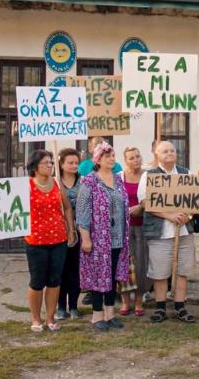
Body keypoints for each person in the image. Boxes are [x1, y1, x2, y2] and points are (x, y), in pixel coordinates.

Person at [138, 140, 199, 324]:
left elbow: (197, 199)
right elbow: (145, 202)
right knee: (160, 272)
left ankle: (180, 307)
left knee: (182, 271)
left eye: (172, 150)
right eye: (165, 151)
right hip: (160, 232)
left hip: (184, 232)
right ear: (157, 154)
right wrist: (169, 215)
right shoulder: (149, 175)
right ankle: (160, 307)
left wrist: (188, 216)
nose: (170, 153)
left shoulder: (186, 173)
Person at [76, 142, 132, 332]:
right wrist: (86, 238)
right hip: (98, 238)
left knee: (112, 276)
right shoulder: (90, 181)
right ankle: (97, 315)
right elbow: (82, 212)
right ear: (98, 159)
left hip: (117, 238)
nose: (112, 159)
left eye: (113, 155)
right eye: (108, 156)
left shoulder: (118, 180)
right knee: (98, 276)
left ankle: (110, 314)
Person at [24, 150, 77, 332]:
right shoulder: (27, 185)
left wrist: (70, 229)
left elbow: (68, 208)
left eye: (50, 162)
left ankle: (50, 318)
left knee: (54, 280)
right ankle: (36, 318)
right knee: (37, 280)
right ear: (35, 166)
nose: (50, 165)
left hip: (58, 240)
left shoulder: (57, 184)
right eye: (45, 163)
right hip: (35, 241)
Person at [121, 146, 147, 317]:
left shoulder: (148, 176)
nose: (135, 160)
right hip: (124, 227)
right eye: (131, 158)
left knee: (140, 264)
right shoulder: (119, 177)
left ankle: (139, 299)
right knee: (124, 264)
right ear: (125, 161)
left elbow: (154, 196)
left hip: (144, 225)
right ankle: (125, 301)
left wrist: (142, 206)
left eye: (138, 156)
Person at [56, 148, 82, 321]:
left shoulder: (85, 181)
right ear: (62, 164)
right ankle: (60, 307)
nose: (74, 166)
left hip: (80, 231)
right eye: (70, 162)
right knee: (60, 270)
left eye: (76, 162)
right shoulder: (54, 182)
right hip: (59, 232)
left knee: (76, 270)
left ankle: (73, 305)